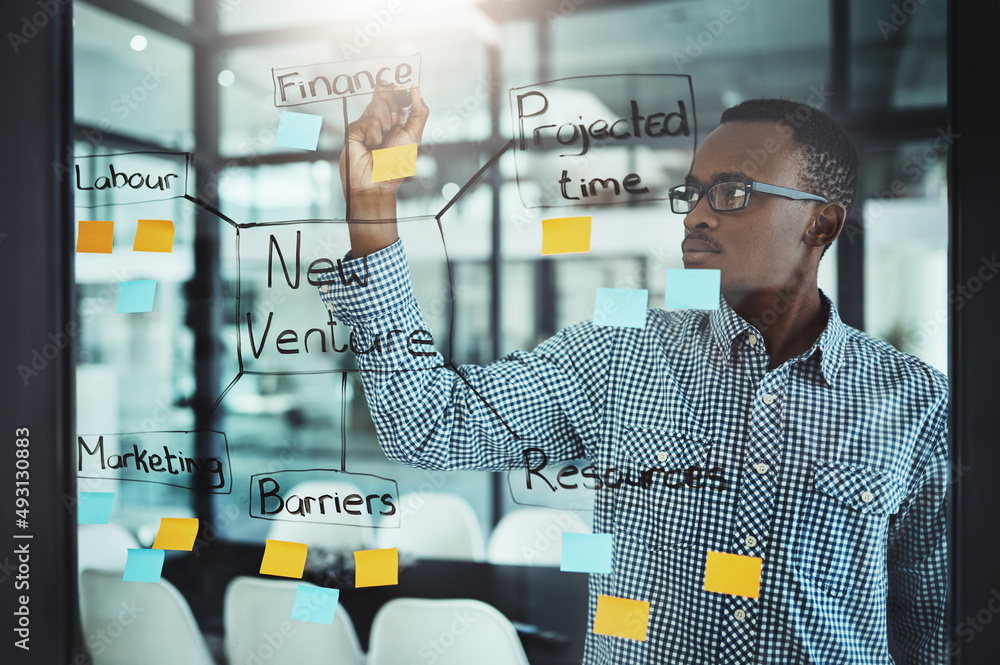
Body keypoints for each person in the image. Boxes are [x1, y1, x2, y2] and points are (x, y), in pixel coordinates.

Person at [318, 85, 948, 664]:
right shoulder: (620, 356)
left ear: (822, 224)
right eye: (692, 192)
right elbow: (427, 424)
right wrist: (373, 218)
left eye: (731, 192)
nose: (696, 215)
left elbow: (928, 627)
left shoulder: (915, 400)